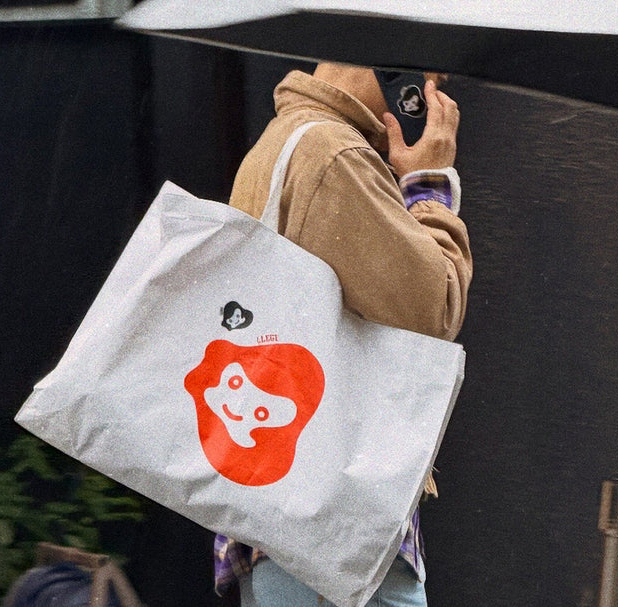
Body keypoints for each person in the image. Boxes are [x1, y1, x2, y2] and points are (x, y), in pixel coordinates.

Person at [213, 63, 472, 606]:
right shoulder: (333, 156)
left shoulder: (288, 141)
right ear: (395, 67)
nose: (435, 91)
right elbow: (434, 310)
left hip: (291, 524)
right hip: (333, 535)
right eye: (431, 76)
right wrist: (430, 182)